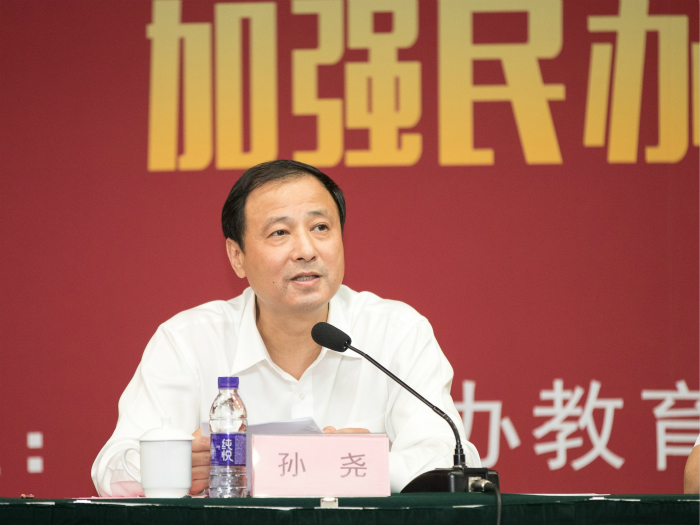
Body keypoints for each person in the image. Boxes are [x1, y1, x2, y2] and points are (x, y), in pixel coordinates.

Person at [91, 159, 480, 496]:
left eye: (321, 228)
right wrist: (172, 466)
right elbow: (110, 469)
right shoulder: (188, 341)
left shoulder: (396, 332)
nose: (306, 250)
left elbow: (450, 457)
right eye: (280, 232)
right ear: (237, 256)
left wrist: (357, 463)